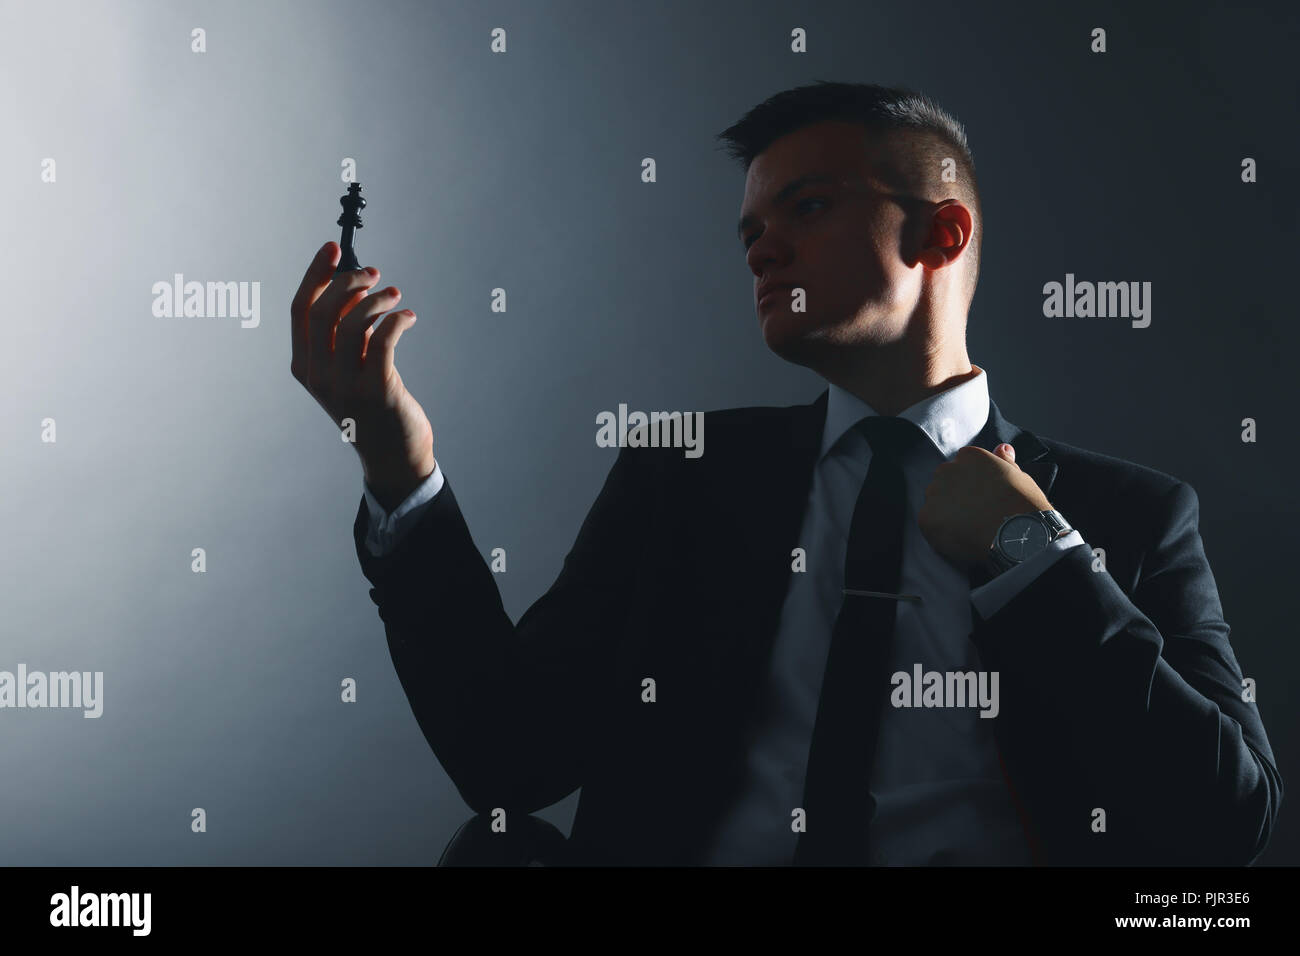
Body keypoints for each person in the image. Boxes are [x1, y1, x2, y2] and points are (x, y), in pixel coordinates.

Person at [289, 81, 1281, 866]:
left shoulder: (1130, 513)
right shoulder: (679, 477)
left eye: (805, 206)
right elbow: (509, 754)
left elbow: (1224, 822)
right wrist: (394, 458)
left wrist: (1041, 554)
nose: (761, 247)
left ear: (941, 233)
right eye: (749, 231)